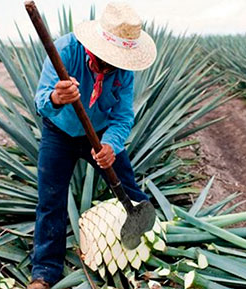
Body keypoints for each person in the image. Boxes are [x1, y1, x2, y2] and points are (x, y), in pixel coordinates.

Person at [27, 2, 157, 289]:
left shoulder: (123, 71)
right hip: (59, 132)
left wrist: (110, 145)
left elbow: (123, 116)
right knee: (51, 201)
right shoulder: (65, 51)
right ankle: (44, 273)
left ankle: (149, 243)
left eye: (118, 61)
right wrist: (57, 99)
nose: (110, 66)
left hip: (98, 134)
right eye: (107, 59)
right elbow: (41, 101)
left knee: (130, 190)